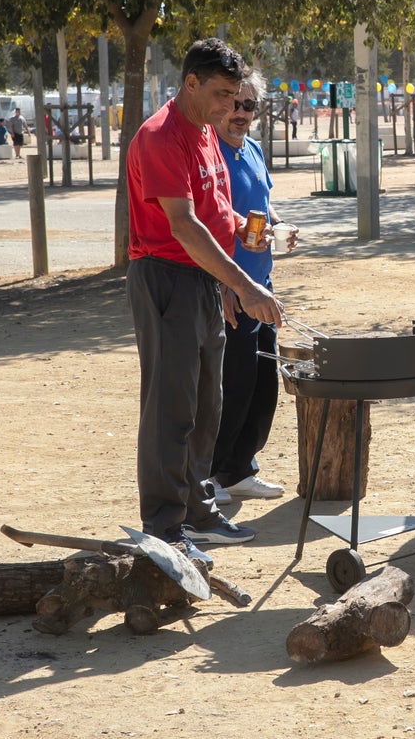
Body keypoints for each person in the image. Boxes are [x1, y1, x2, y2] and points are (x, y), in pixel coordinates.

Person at [125, 37, 284, 565]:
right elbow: (185, 225)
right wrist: (244, 283)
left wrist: (250, 230)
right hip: (166, 276)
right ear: (190, 83)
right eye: (220, 94)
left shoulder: (204, 133)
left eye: (235, 96)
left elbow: (216, 210)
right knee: (171, 408)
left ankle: (196, 506)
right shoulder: (159, 137)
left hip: (202, 280)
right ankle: (165, 525)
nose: (228, 107)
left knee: (207, 404)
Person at [205, 69, 298, 506]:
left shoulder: (254, 150)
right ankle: (211, 477)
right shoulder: (209, 154)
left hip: (263, 285)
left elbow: (263, 204)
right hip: (231, 287)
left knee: (264, 387)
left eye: (248, 106)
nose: (239, 114)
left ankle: (241, 468)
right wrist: (222, 283)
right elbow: (203, 222)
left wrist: (280, 225)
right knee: (233, 387)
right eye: (233, 104)